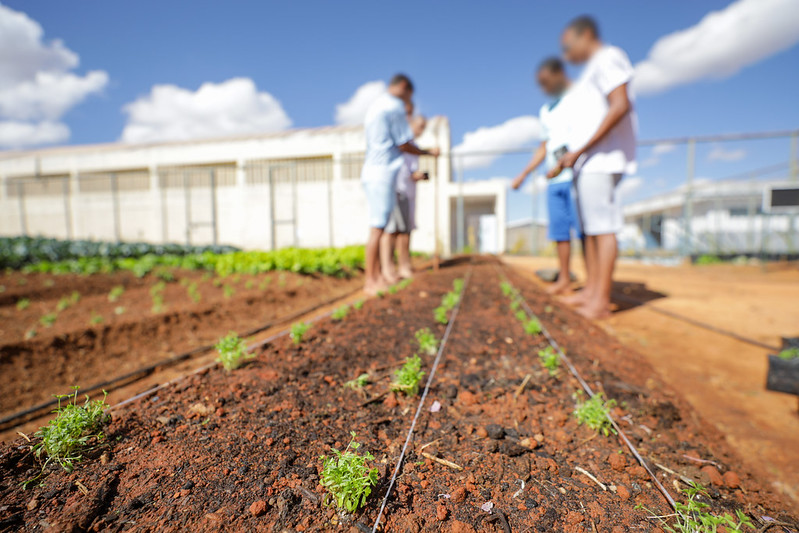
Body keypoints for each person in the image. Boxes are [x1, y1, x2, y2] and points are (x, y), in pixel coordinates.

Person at [557, 15, 637, 319]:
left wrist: (581, 149)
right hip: (587, 161)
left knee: (602, 228)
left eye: (569, 45)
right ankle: (591, 291)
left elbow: (620, 104)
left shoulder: (608, 58)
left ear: (585, 35)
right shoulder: (593, 68)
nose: (567, 53)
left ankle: (600, 301)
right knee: (590, 229)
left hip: (600, 159)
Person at [361, 74, 439, 295]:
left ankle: (376, 277)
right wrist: (428, 153)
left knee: (381, 227)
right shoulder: (393, 105)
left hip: (374, 172)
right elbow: (404, 144)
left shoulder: (377, 104)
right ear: (405, 88)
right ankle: (371, 281)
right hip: (382, 174)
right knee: (379, 229)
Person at [512, 57, 580, 296]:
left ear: (560, 74)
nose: (544, 89)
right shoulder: (546, 111)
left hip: (577, 174)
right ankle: (564, 278)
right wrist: (523, 175)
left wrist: (566, 162)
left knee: (586, 230)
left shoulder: (578, 99)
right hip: (554, 179)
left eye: (546, 82)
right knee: (560, 232)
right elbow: (544, 147)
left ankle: (595, 285)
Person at [380, 102, 429, 282]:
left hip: (407, 192)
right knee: (392, 230)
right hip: (396, 189)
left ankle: (404, 266)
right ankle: (388, 269)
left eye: (423, 128)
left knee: (405, 231)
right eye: (419, 126)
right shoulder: (400, 140)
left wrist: (417, 175)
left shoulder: (412, 146)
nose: (421, 130)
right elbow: (400, 167)